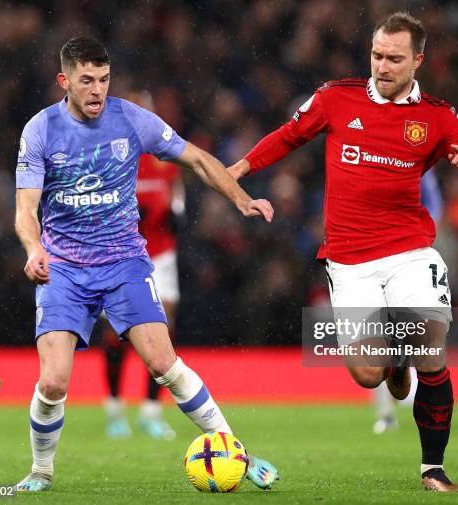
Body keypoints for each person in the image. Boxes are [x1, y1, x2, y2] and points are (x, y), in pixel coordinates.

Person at [229, 12, 458, 492]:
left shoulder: (437, 116)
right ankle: (394, 360)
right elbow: (289, 135)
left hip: (411, 252)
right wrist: (241, 167)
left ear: (418, 60)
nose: (383, 65)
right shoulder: (337, 98)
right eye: (377, 55)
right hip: (350, 259)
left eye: (395, 58)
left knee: (430, 351)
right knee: (367, 374)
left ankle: (433, 469)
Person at [14, 36, 279, 492]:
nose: (97, 90)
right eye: (86, 81)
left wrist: (241, 198)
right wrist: (33, 249)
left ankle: (238, 452)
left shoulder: (131, 119)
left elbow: (194, 157)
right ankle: (41, 470)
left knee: (165, 363)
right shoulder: (40, 130)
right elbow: (25, 208)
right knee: (54, 381)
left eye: (104, 79)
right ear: (65, 81)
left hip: (124, 263)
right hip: (65, 269)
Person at [102, 91, 185, 440]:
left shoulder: (164, 161)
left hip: (160, 253)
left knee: (163, 331)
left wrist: (172, 213)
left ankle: (151, 410)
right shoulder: (107, 158)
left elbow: (179, 209)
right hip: (118, 254)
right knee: (116, 335)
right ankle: (115, 409)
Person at [372, 170, 442, 435]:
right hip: (378, 256)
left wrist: (419, 239)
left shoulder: (415, 165)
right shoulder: (376, 163)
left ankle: (417, 390)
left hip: (412, 255)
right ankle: (387, 412)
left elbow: (435, 204)